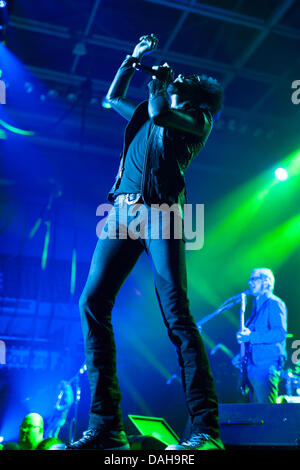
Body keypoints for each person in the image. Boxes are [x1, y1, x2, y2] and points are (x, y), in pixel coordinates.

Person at [68, 34, 224, 451]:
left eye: (185, 80)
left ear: (195, 95)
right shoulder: (145, 111)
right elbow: (110, 97)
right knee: (91, 303)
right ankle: (106, 428)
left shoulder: (195, 119)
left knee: (176, 314)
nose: (179, 77)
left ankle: (207, 430)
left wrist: (158, 84)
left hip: (162, 215)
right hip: (120, 213)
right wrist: (132, 61)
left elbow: (158, 112)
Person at [236, 268, 287, 403]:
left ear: (266, 281)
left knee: (266, 414)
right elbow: (251, 338)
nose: (250, 282)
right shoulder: (256, 307)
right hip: (252, 367)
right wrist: (240, 356)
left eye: (254, 279)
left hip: (265, 366)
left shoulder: (274, 303)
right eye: (250, 279)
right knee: (256, 416)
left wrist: (250, 336)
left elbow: (280, 333)